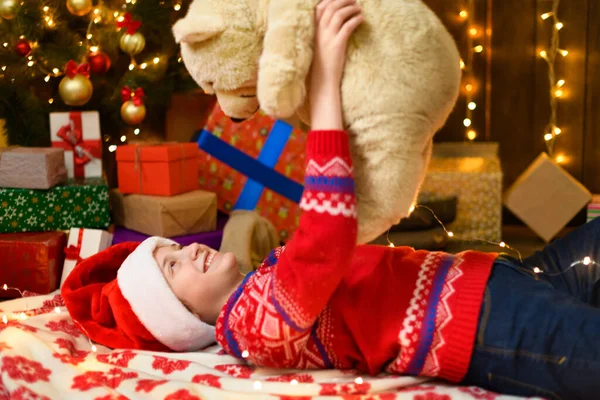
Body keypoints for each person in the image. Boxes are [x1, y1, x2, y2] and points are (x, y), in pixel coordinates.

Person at [62, 0, 600, 398]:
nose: (188, 252)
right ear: (182, 323)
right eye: (172, 268)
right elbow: (324, 240)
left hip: (497, 278)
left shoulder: (261, 277)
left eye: (171, 250)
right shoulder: (252, 325)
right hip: (484, 327)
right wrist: (323, 88)